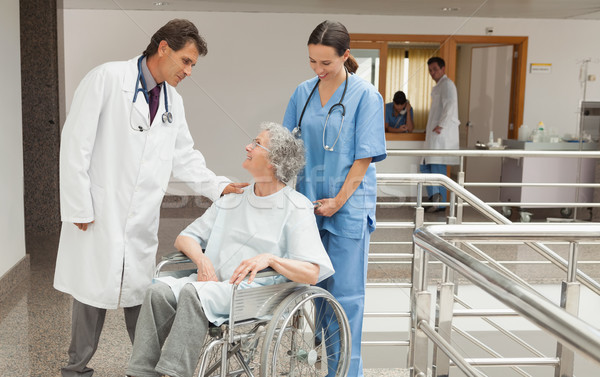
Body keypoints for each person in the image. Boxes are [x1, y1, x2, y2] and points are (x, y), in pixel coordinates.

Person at [54, 19, 246, 377]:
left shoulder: (173, 100)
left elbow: (185, 157)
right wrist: (78, 204)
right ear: (163, 48)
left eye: (193, 65)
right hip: (98, 210)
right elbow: (74, 145)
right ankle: (75, 368)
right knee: (89, 294)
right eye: (186, 61)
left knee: (140, 293)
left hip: (140, 216)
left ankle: (147, 367)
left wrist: (218, 186)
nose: (189, 71)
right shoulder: (107, 79)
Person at [125, 122, 334, 377]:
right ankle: (140, 373)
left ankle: (174, 373)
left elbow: (311, 272)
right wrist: (202, 261)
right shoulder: (234, 199)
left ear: (274, 161)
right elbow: (185, 238)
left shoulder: (296, 207)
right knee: (158, 292)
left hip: (255, 292)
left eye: (257, 144)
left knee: (193, 292)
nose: (248, 146)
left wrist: (271, 259)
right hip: (211, 284)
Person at [282, 20, 387, 377]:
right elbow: (287, 147)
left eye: (326, 63)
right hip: (308, 204)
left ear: (345, 55)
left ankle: (346, 373)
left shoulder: (366, 96)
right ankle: (329, 367)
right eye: (312, 61)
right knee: (317, 297)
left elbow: (363, 158)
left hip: (348, 208)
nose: (318, 70)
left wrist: (338, 201)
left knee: (346, 299)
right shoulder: (303, 92)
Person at [420, 56, 460, 212]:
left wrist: (440, 126)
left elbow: (450, 106)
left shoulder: (448, 85)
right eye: (430, 70)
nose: (432, 73)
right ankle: (434, 198)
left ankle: (441, 203)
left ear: (443, 69)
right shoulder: (438, 86)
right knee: (425, 166)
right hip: (434, 133)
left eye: (435, 69)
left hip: (441, 134)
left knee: (437, 168)